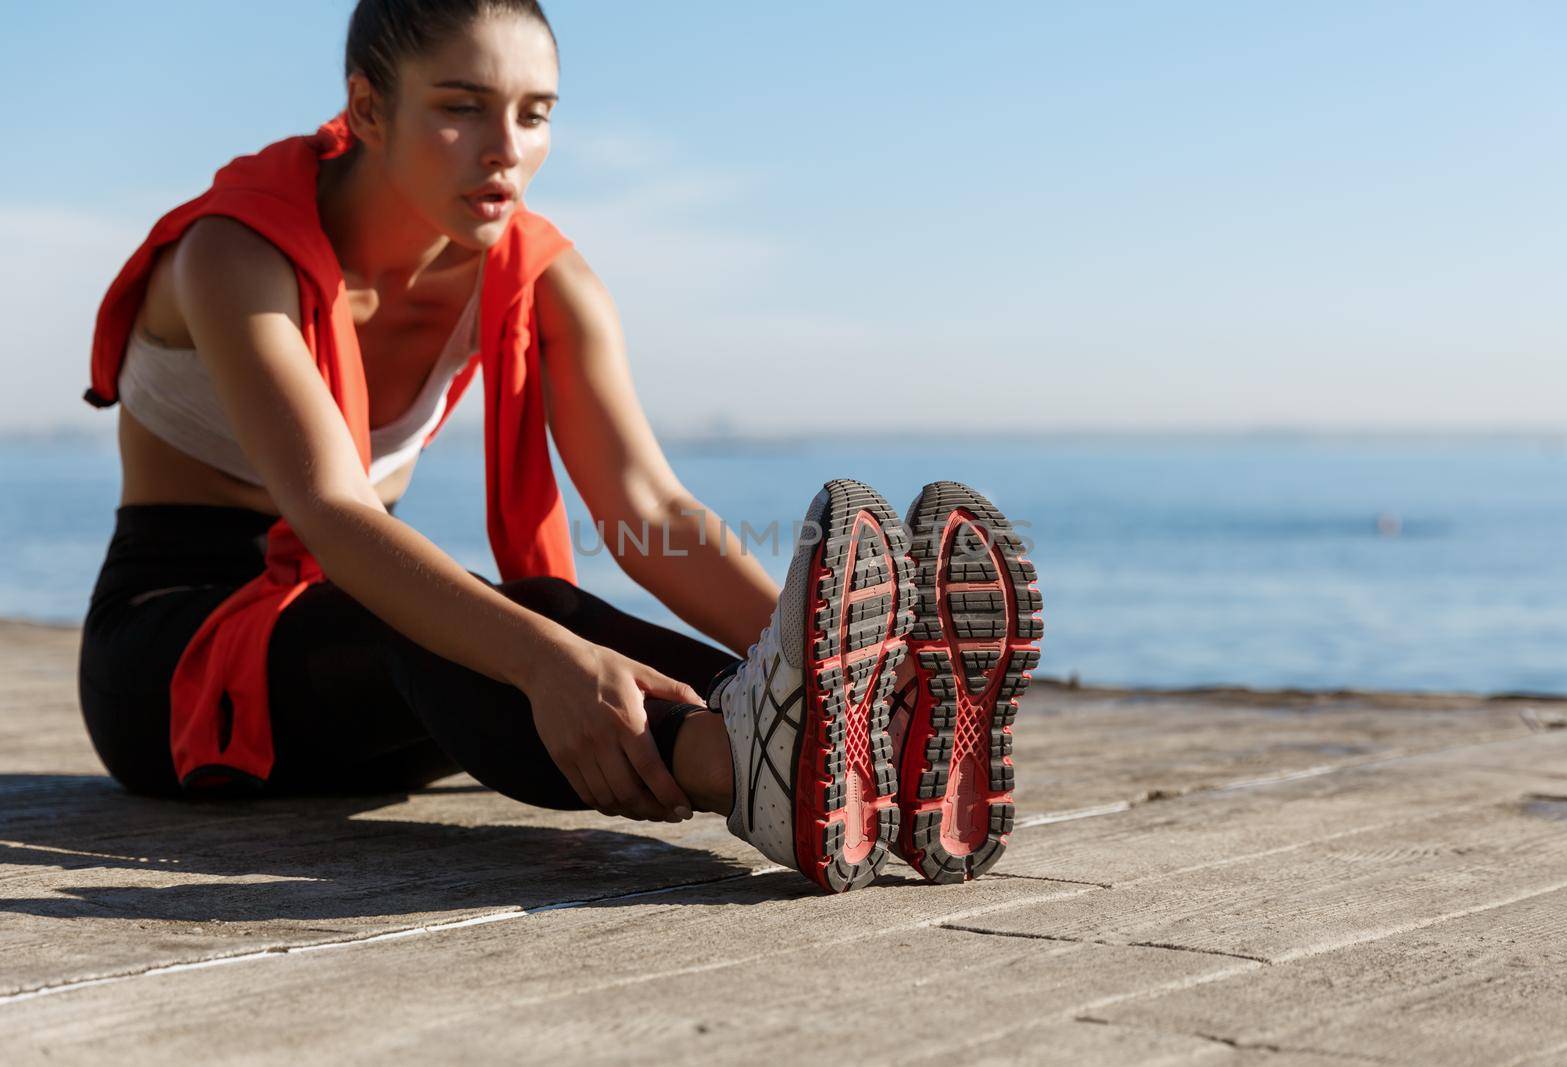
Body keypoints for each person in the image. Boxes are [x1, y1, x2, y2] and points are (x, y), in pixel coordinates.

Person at [76, 0, 1043, 894]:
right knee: (504, 626)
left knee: (531, 610)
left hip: (366, 662)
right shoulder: (234, 255)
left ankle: (870, 736)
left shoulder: (545, 277)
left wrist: (798, 642)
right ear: (367, 109)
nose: (505, 150)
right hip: (173, 662)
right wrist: (547, 663)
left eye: (535, 115)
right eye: (462, 107)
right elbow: (334, 515)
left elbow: (646, 510)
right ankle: (743, 765)